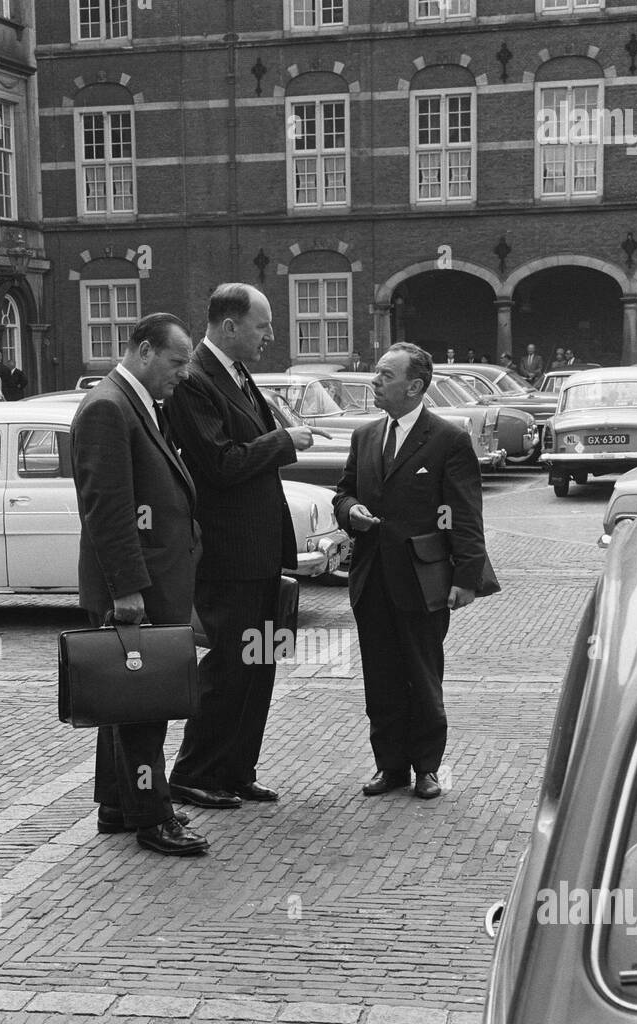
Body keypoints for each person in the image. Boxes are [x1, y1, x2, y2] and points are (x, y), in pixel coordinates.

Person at [165, 282, 313, 809]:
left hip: (262, 551)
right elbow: (219, 463)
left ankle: (235, 768)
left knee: (260, 662)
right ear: (229, 326)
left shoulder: (238, 373)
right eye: (263, 325)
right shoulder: (196, 380)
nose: (271, 336)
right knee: (230, 665)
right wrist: (284, 441)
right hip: (230, 555)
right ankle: (194, 771)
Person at [70, 313, 208, 857]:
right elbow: (108, 509)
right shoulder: (109, 406)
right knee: (146, 708)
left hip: (150, 583)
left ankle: (116, 805)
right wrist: (127, 590)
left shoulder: (133, 402)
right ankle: (155, 818)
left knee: (124, 699)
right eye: (176, 363)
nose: (182, 375)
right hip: (136, 591)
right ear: (144, 351)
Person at [333, 341, 489, 801]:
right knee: (379, 677)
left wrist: (466, 578)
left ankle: (427, 768)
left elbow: (464, 513)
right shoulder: (364, 436)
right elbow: (342, 492)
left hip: (423, 580)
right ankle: (390, 766)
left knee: (422, 674)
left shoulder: (448, 439)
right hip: (370, 577)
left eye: (385, 375)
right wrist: (351, 510)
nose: (375, 381)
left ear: (415, 386)